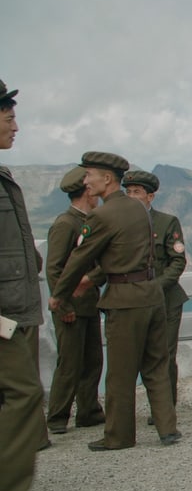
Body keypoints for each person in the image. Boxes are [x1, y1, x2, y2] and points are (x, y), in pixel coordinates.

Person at [48, 151, 181, 451]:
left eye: (89, 175)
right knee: (157, 365)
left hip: (124, 300)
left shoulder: (101, 215)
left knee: (120, 372)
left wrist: (59, 296)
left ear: (107, 179)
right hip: (152, 295)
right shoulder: (139, 210)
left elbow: (80, 259)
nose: (86, 181)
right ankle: (167, 428)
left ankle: (119, 436)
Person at [0, 79, 45, 491]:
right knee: (24, 394)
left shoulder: (2, 175)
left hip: (15, 308)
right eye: (10, 118)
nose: (17, 127)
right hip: (2, 318)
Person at [122, 170, 189, 418]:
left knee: (165, 354)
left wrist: (156, 287)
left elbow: (177, 261)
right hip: (134, 302)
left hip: (166, 301)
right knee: (137, 356)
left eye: (136, 192)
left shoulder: (166, 222)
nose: (131, 197)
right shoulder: (120, 224)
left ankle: (165, 409)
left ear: (150, 196)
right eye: (127, 192)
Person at [45, 166, 106, 436]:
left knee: (93, 360)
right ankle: (58, 417)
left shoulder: (88, 221)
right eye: (92, 190)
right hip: (71, 307)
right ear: (85, 192)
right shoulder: (65, 224)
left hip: (90, 304)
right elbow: (55, 269)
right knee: (69, 364)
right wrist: (64, 305)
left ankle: (89, 411)